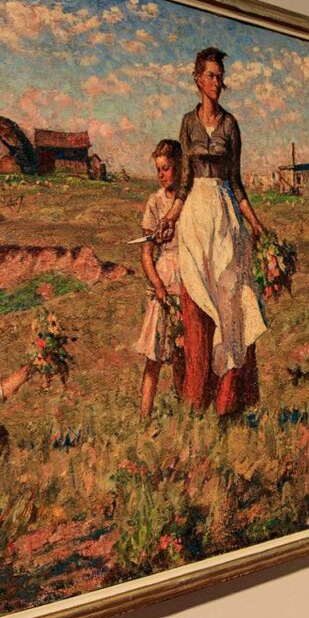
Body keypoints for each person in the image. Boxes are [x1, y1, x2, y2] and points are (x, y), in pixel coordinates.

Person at [173, 46, 276, 415]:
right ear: (197, 79)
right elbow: (185, 179)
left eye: (220, 76)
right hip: (196, 218)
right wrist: (171, 216)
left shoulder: (231, 125)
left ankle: (229, 398)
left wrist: (256, 223)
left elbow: (236, 181)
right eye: (210, 76)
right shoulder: (187, 123)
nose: (216, 82)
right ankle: (198, 395)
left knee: (231, 303)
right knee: (199, 303)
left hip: (226, 216)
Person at [133, 139, 188, 419]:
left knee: (182, 355)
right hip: (165, 282)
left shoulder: (187, 201)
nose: (161, 175)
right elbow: (146, 253)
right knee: (154, 357)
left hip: (188, 282)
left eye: (166, 168)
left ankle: (185, 412)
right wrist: (158, 286)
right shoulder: (155, 203)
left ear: (178, 166)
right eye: (158, 170)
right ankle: (145, 416)